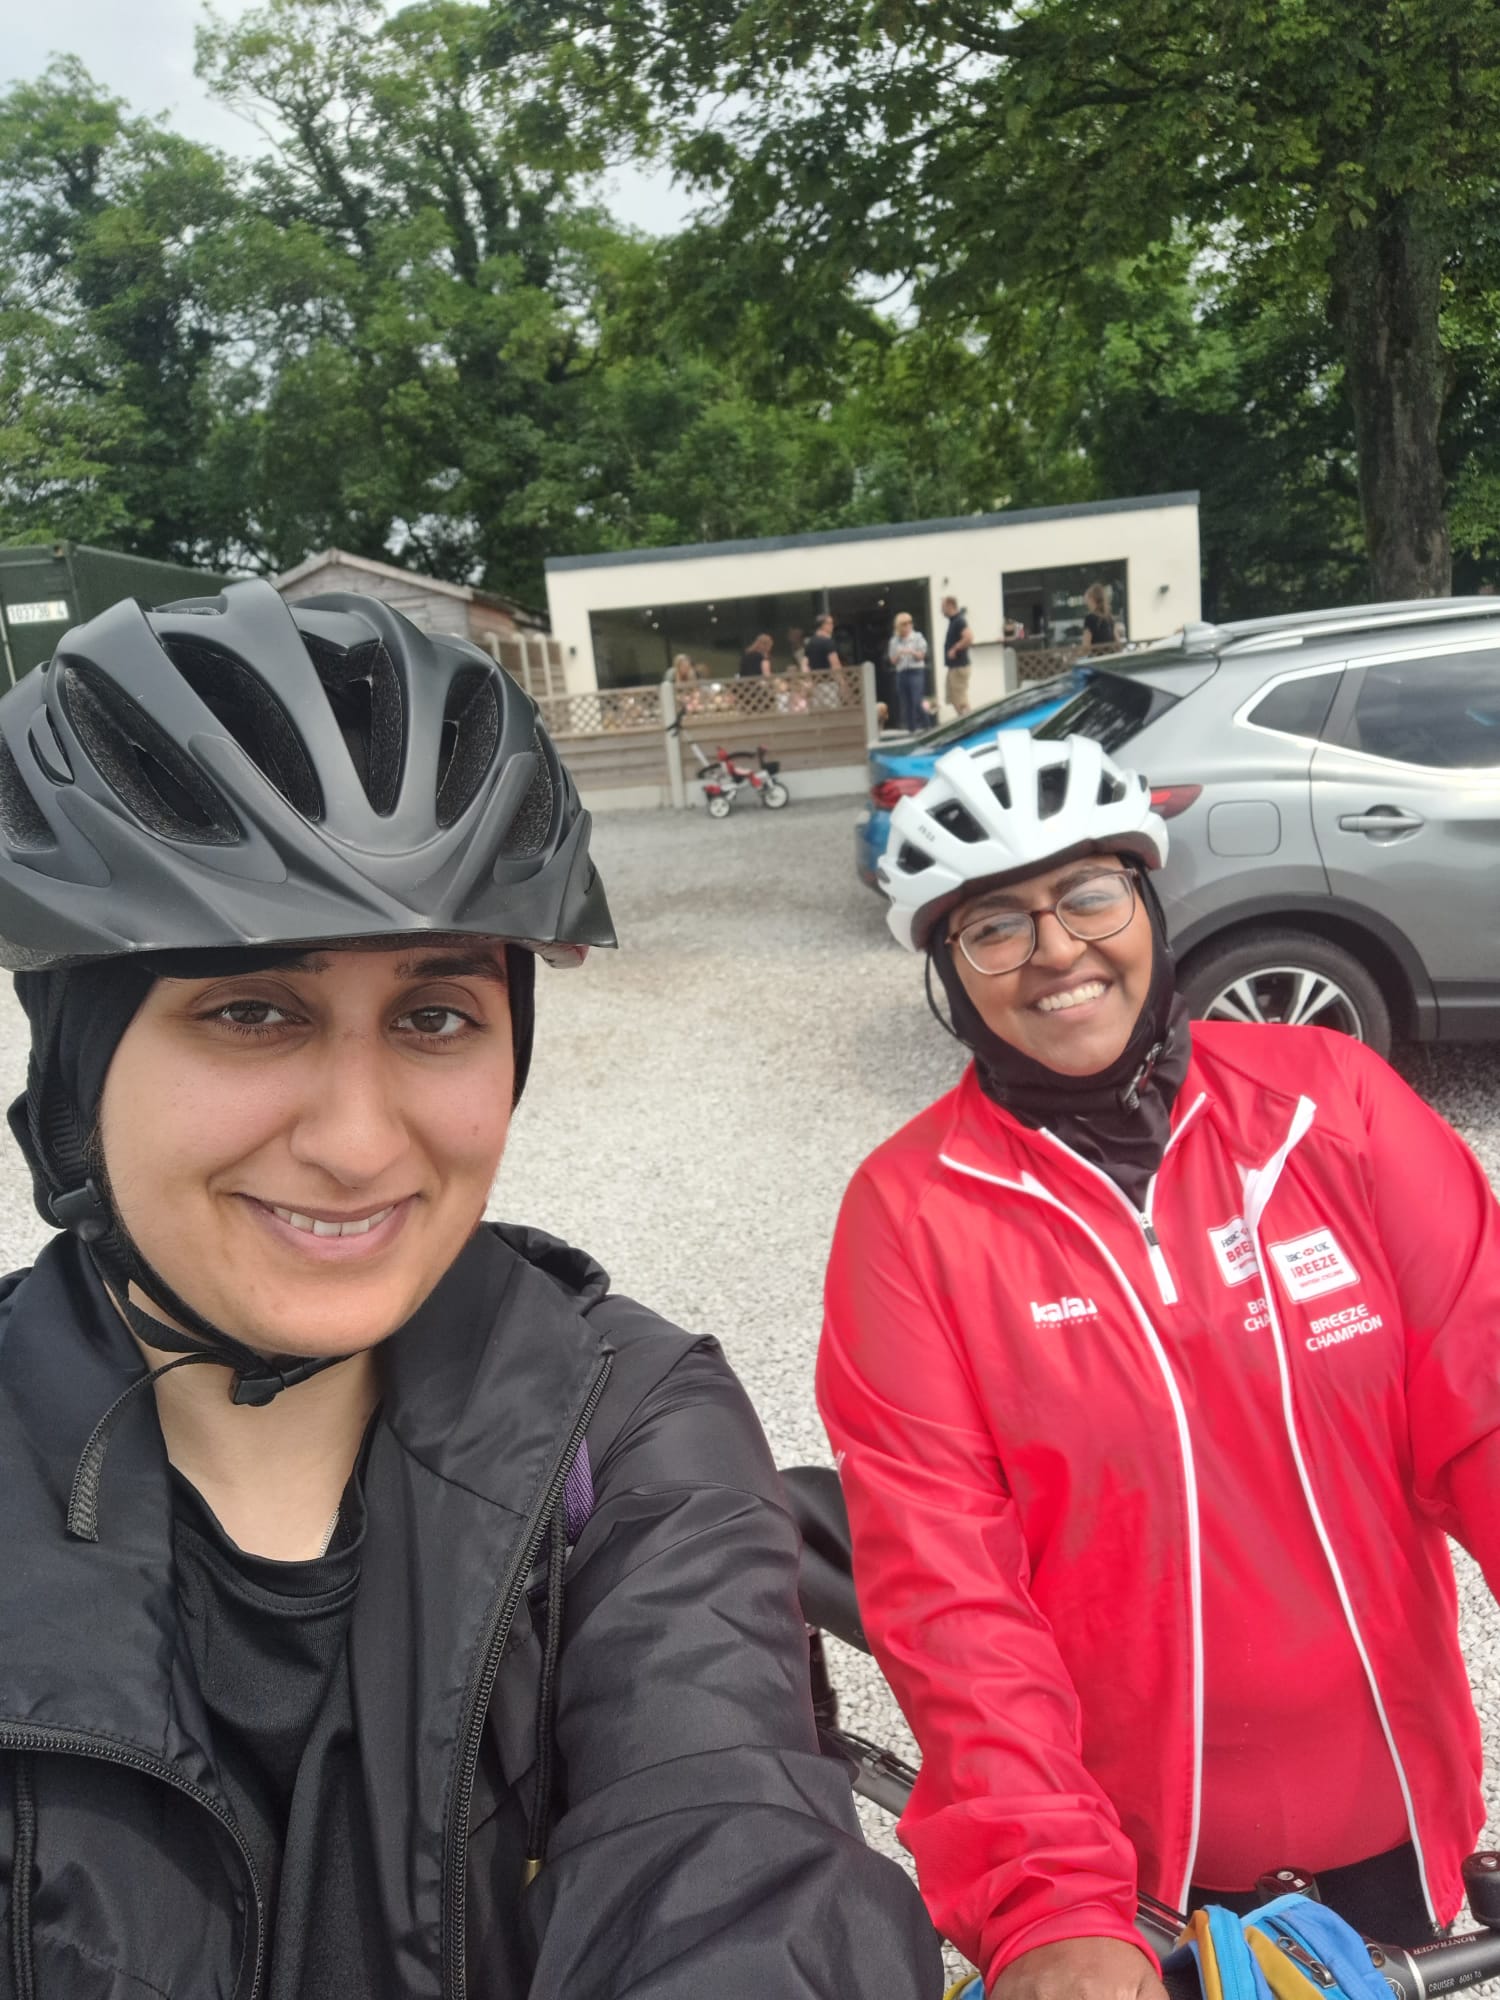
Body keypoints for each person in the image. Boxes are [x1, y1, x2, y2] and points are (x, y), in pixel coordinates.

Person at [0, 580, 943, 2000]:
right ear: (75, 1078)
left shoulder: (628, 1434)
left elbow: (736, 1856)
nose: (363, 1142)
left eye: (437, 1017)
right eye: (253, 1012)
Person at [819, 726, 1500, 2000]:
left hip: (1394, 1807)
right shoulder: (911, 1213)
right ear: (949, 973)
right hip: (1126, 1871)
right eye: (995, 924)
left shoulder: (1331, 1102)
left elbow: (1490, 1401)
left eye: (1088, 893)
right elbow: (949, 1588)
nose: (1058, 950)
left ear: (1149, 902)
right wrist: (1046, 1897)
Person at [888, 612, 930, 733]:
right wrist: (899, 654)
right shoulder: (894, 641)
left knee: (917, 700)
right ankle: (912, 730)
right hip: (902, 672)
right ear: (898, 626)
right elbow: (892, 660)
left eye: (910, 622)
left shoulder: (917, 637)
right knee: (906, 702)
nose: (908, 625)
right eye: (904, 623)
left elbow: (921, 656)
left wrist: (911, 652)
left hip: (915, 671)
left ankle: (927, 726)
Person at [941, 596, 975, 716]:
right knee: (953, 698)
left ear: (950, 605)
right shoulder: (953, 621)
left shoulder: (959, 620)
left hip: (960, 667)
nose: (941, 610)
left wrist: (955, 649)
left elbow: (969, 637)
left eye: (943, 607)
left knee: (961, 700)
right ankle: (962, 720)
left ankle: (969, 722)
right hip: (953, 667)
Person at [1080, 581, 1118, 651]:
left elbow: (1085, 647)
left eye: (1087, 599)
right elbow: (1117, 643)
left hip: (1097, 659)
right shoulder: (1109, 618)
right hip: (1109, 657)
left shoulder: (1090, 618)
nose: (1086, 603)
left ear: (1092, 599)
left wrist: (1074, 656)